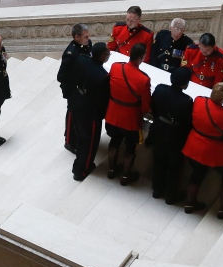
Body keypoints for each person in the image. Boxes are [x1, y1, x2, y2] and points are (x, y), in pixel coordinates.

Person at [182, 82, 223, 219]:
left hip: (193, 146)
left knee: (197, 172)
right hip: (212, 152)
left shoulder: (199, 101)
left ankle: (190, 203)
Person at [104, 43, 152, 186]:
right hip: (130, 119)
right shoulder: (144, 79)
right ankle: (126, 176)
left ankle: (111, 169)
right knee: (130, 148)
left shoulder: (116, 67)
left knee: (114, 141)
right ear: (142, 57)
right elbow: (145, 105)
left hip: (112, 114)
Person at [149, 67, 195, 204]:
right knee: (174, 167)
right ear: (184, 84)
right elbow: (187, 123)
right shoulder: (187, 101)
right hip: (175, 136)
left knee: (158, 161)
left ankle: (157, 189)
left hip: (158, 130)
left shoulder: (160, 89)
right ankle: (171, 195)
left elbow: (154, 108)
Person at [69, 43, 111, 181]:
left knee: (81, 137)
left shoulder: (82, 60)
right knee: (89, 142)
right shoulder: (102, 76)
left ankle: (78, 165)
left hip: (77, 102)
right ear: (102, 56)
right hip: (90, 112)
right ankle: (81, 170)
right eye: (108, 54)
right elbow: (102, 99)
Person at [57, 23, 92, 154]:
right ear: (76, 37)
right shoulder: (70, 54)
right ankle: (70, 142)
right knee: (72, 113)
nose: (88, 39)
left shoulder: (86, 45)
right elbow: (61, 76)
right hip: (73, 90)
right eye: (85, 37)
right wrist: (75, 85)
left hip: (82, 87)